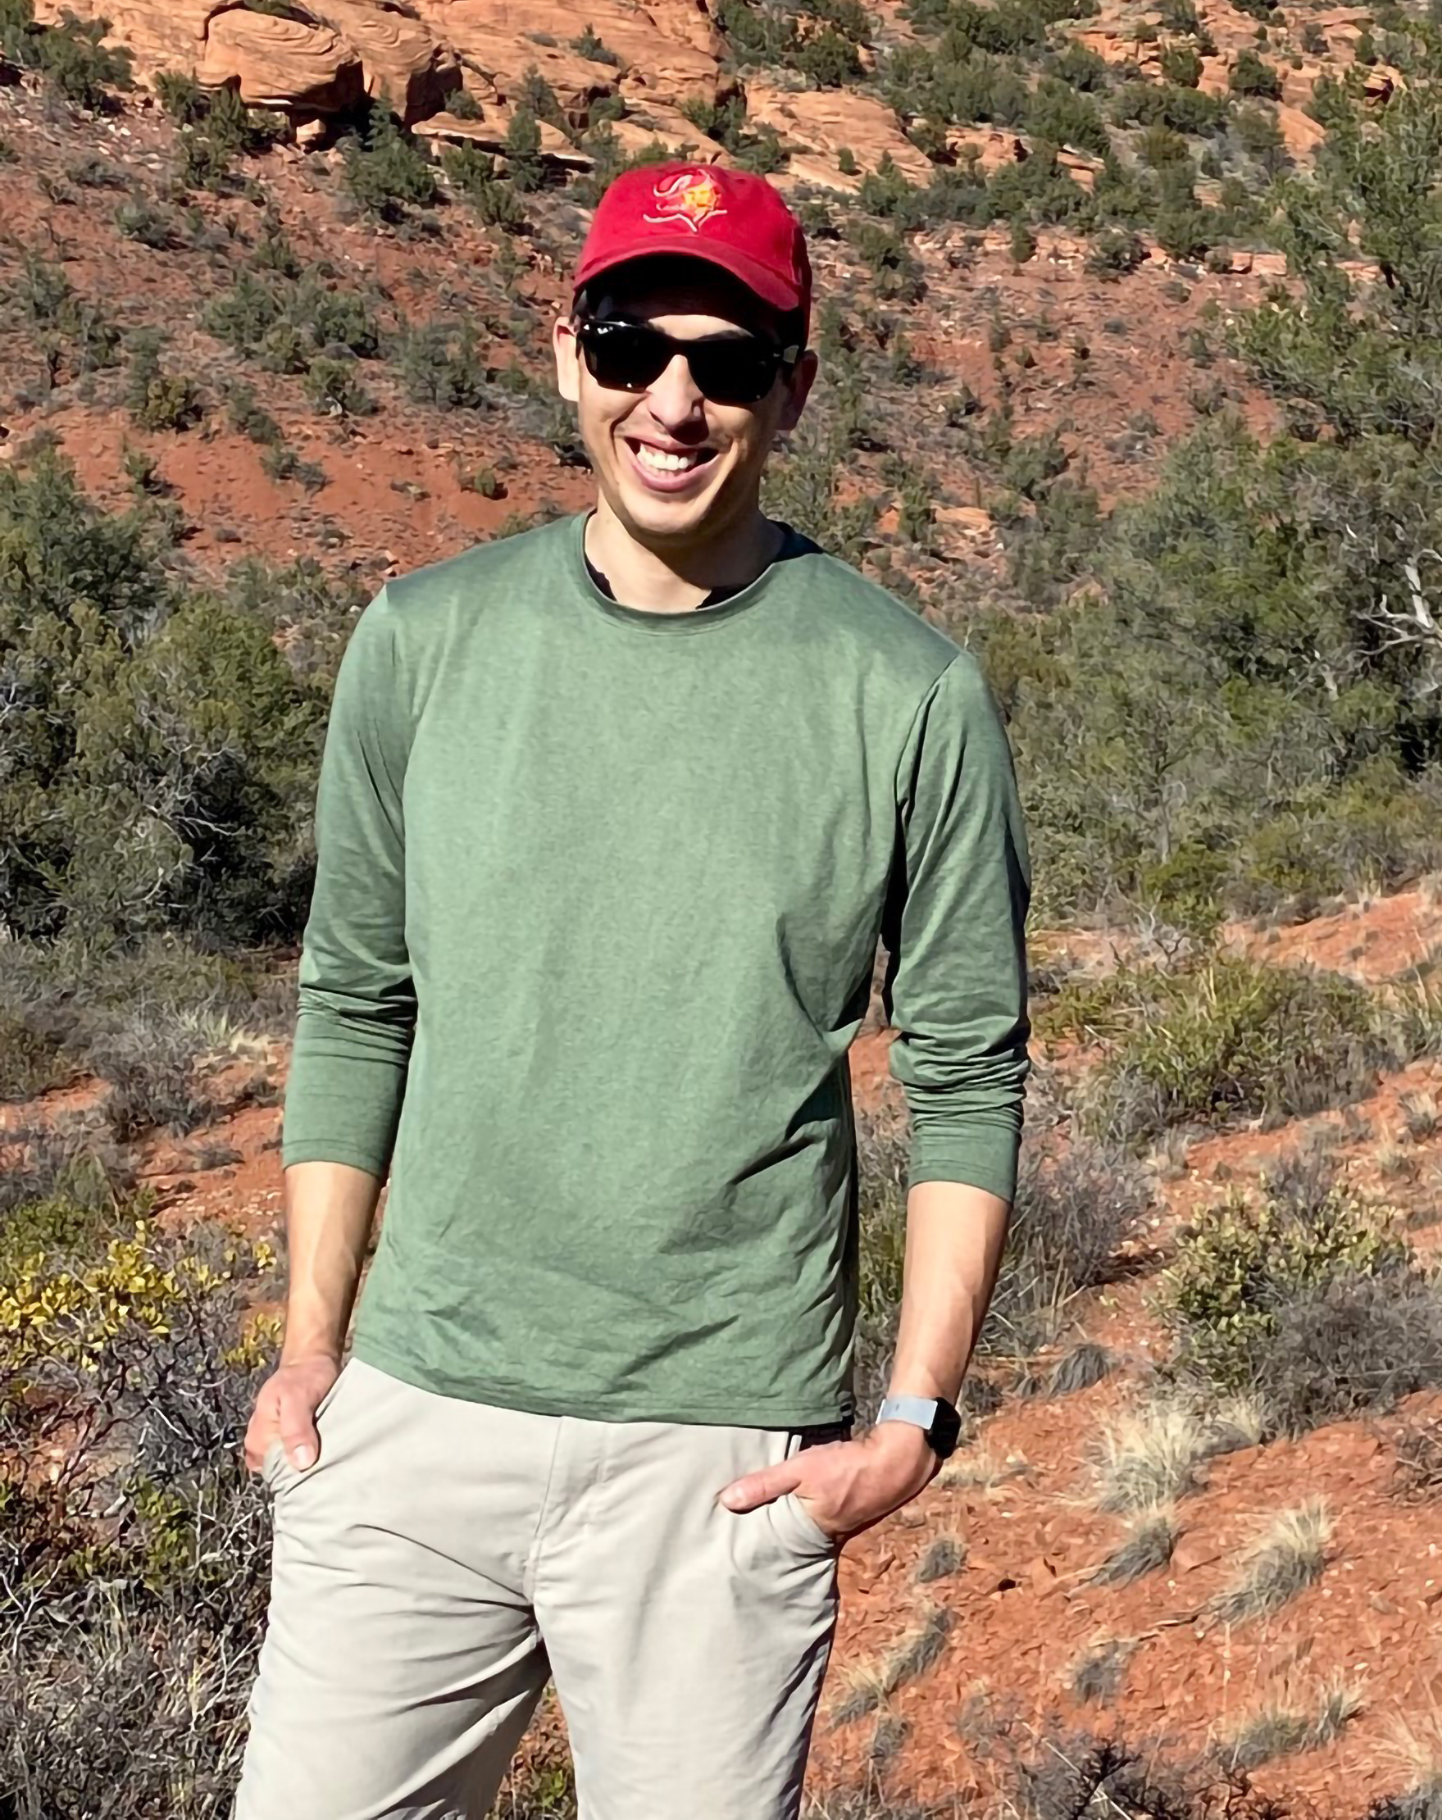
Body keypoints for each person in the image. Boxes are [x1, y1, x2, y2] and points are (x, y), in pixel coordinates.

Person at [233, 162, 1030, 1820]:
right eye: (630, 344)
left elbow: (966, 1074)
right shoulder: (421, 641)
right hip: (412, 1415)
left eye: (726, 360)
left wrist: (911, 1420)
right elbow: (356, 1000)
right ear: (567, 354)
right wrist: (316, 1349)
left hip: (719, 1458)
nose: (672, 399)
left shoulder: (908, 693)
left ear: (793, 387)